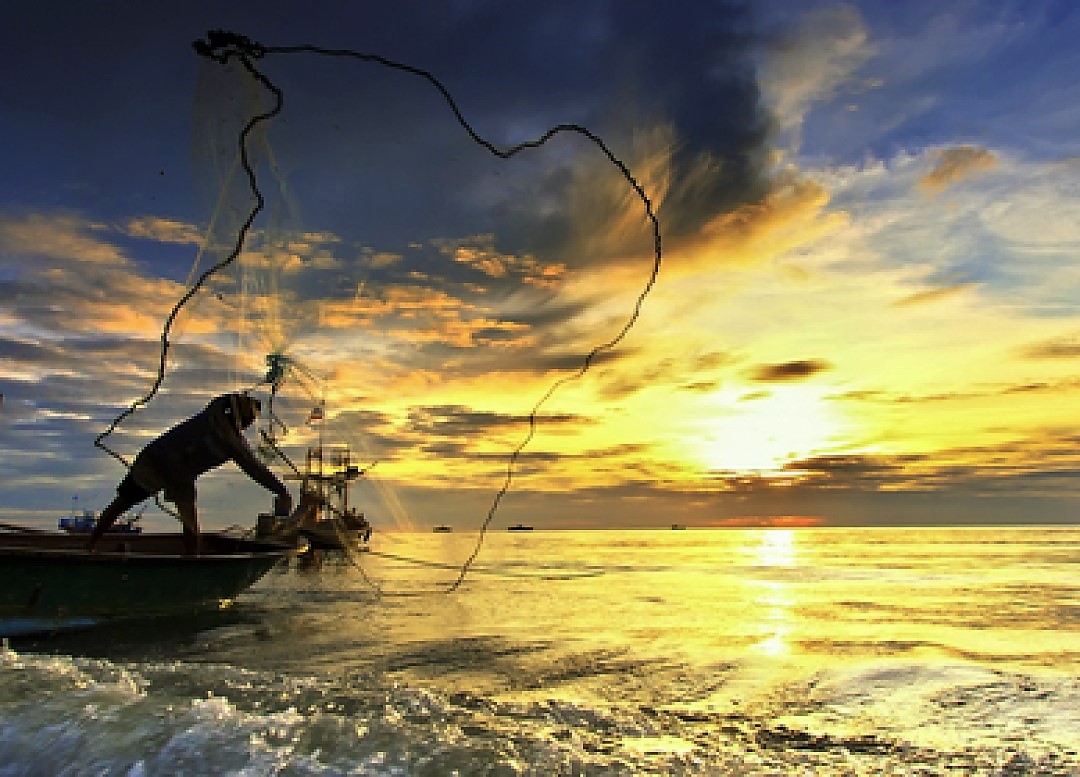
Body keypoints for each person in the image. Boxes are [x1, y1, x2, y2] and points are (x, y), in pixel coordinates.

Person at [89, 392, 292, 554]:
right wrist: (281, 490)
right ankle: (191, 558)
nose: (250, 425)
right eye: (250, 419)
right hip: (156, 463)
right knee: (126, 503)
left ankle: (91, 545)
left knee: (127, 505)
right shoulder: (227, 435)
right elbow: (256, 469)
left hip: (175, 473)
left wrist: (243, 400)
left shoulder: (215, 416)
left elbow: (255, 467)